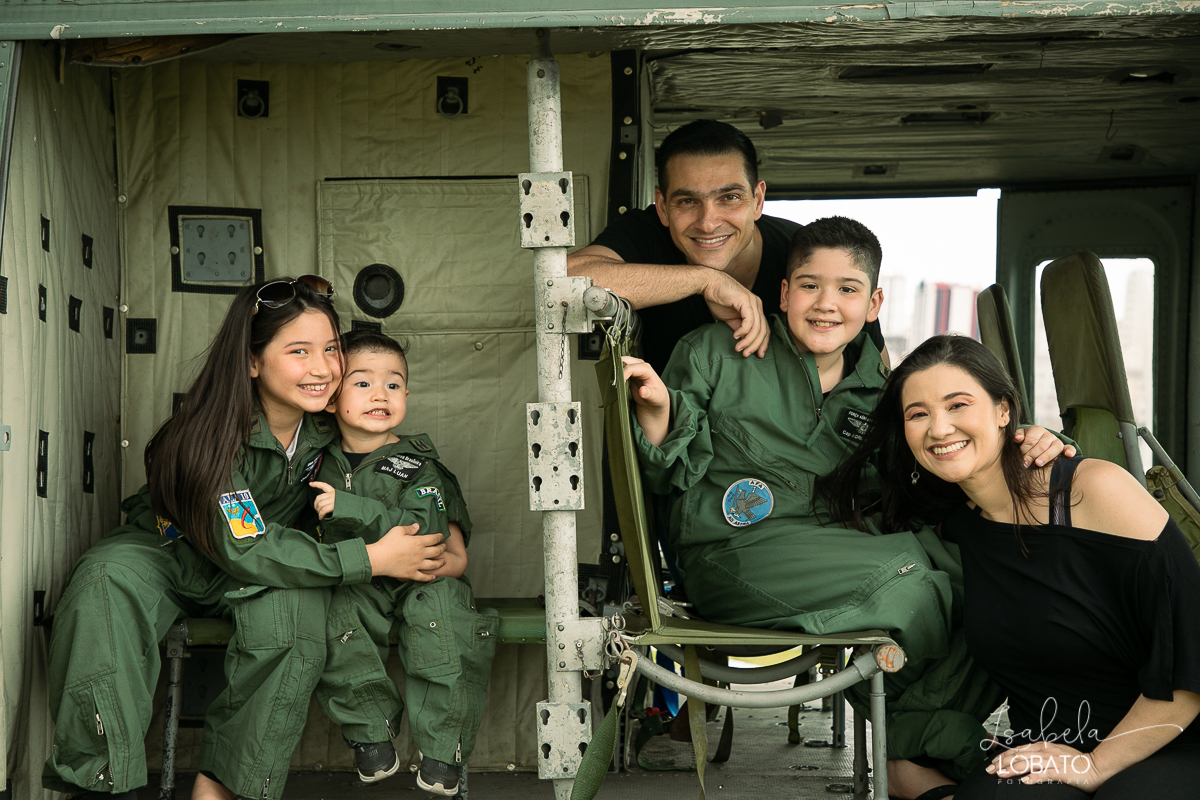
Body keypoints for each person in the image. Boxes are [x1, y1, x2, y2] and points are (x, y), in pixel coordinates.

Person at [622, 217, 1069, 796]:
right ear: (782, 294)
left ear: (874, 302)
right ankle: (935, 746)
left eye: (848, 289)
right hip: (732, 556)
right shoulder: (715, 351)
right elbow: (665, 470)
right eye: (809, 285)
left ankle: (919, 746)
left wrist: (1031, 442)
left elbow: (925, 474)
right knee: (908, 577)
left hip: (840, 551)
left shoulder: (884, 389)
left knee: (984, 577)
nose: (826, 304)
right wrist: (655, 413)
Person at [43, 277, 449, 800]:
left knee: (295, 614)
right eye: (299, 351)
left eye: (330, 349)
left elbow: (401, 478)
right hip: (171, 552)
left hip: (266, 565)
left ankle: (223, 786)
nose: (323, 368)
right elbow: (247, 544)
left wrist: (433, 536)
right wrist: (369, 558)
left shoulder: (334, 427)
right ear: (253, 361)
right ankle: (98, 783)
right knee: (103, 584)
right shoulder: (208, 433)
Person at [829, 334, 1200, 799]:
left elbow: (1191, 663)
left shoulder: (1095, 491)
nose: (939, 429)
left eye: (958, 405)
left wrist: (1095, 764)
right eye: (918, 414)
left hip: (1168, 738)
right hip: (1044, 751)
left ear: (1005, 411)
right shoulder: (955, 528)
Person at [305, 330, 497, 796]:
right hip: (355, 580)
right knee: (326, 610)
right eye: (363, 383)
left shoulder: (417, 465)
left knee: (447, 615)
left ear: (407, 396)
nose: (380, 395)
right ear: (332, 398)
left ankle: (443, 750)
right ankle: (371, 733)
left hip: (422, 580)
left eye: (393, 385)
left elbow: (429, 539)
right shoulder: (310, 462)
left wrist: (351, 507)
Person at [567, 118, 887, 375]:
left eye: (729, 198)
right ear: (662, 206)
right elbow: (564, 280)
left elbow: (879, 374)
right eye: (688, 201)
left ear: (757, 200)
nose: (708, 222)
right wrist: (705, 282)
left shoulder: (806, 256)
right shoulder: (646, 231)